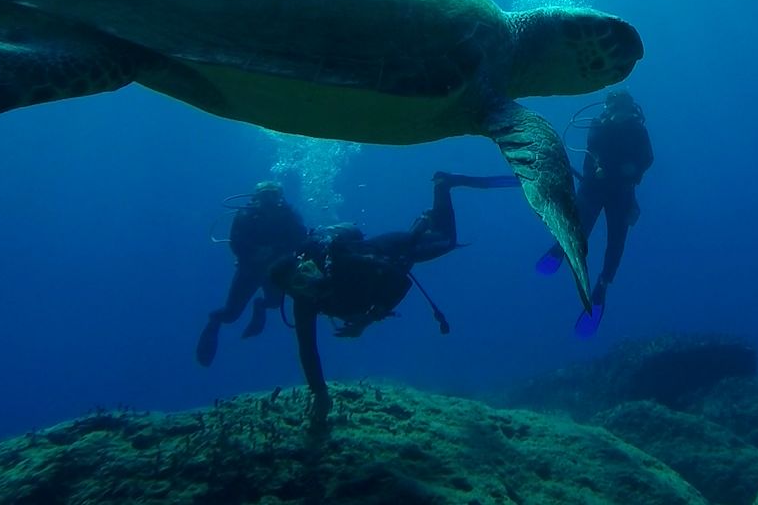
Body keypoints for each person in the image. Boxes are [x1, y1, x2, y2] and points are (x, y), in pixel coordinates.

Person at [269, 171, 517, 427]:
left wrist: (367, 320)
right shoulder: (304, 303)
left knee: (446, 241)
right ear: (290, 292)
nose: (307, 282)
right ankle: (422, 223)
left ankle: (443, 186)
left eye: (306, 272)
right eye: (298, 284)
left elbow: (401, 281)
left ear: (309, 264)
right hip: (378, 278)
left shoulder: (343, 264)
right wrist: (319, 392)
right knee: (427, 245)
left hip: (393, 251)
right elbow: (307, 348)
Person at [537, 87, 654, 336]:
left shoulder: (637, 129)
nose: (618, 112)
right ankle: (562, 247)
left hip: (622, 192)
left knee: (616, 241)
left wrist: (633, 171)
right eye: (614, 107)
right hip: (594, 188)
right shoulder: (599, 125)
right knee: (581, 225)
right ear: (608, 108)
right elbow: (593, 145)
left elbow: (647, 158)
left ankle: (602, 284)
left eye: (622, 107)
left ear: (630, 108)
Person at [195, 181, 311, 368]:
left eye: (272, 195)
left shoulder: (289, 215)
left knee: (274, 303)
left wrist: (275, 250)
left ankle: (260, 306)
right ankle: (214, 322)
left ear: (280, 197)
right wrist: (252, 252)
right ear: (256, 197)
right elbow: (235, 242)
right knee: (231, 314)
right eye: (264, 195)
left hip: (275, 270)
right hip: (249, 269)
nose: (268, 199)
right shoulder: (245, 215)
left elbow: (301, 239)